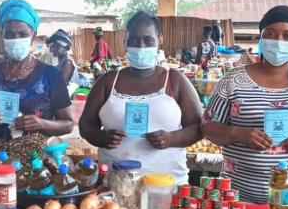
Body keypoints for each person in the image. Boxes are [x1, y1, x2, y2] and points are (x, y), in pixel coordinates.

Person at [202, 5, 288, 203]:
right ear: (261, 37)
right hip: (240, 203)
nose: (278, 41)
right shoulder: (233, 80)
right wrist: (238, 133)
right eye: (270, 34)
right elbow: (207, 127)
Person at [79, 12, 202, 184]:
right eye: (134, 41)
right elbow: (85, 125)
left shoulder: (175, 81)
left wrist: (171, 139)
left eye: (148, 40)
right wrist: (101, 138)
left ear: (160, 40)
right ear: (125, 43)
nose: (141, 46)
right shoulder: (108, 82)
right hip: (116, 185)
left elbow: (198, 127)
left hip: (167, 186)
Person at [0, 0, 73, 164]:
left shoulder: (51, 75)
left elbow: (68, 124)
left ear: (33, 36)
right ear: (2, 35)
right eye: (9, 34)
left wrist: (40, 123)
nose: (16, 39)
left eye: (23, 34)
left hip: (38, 162)